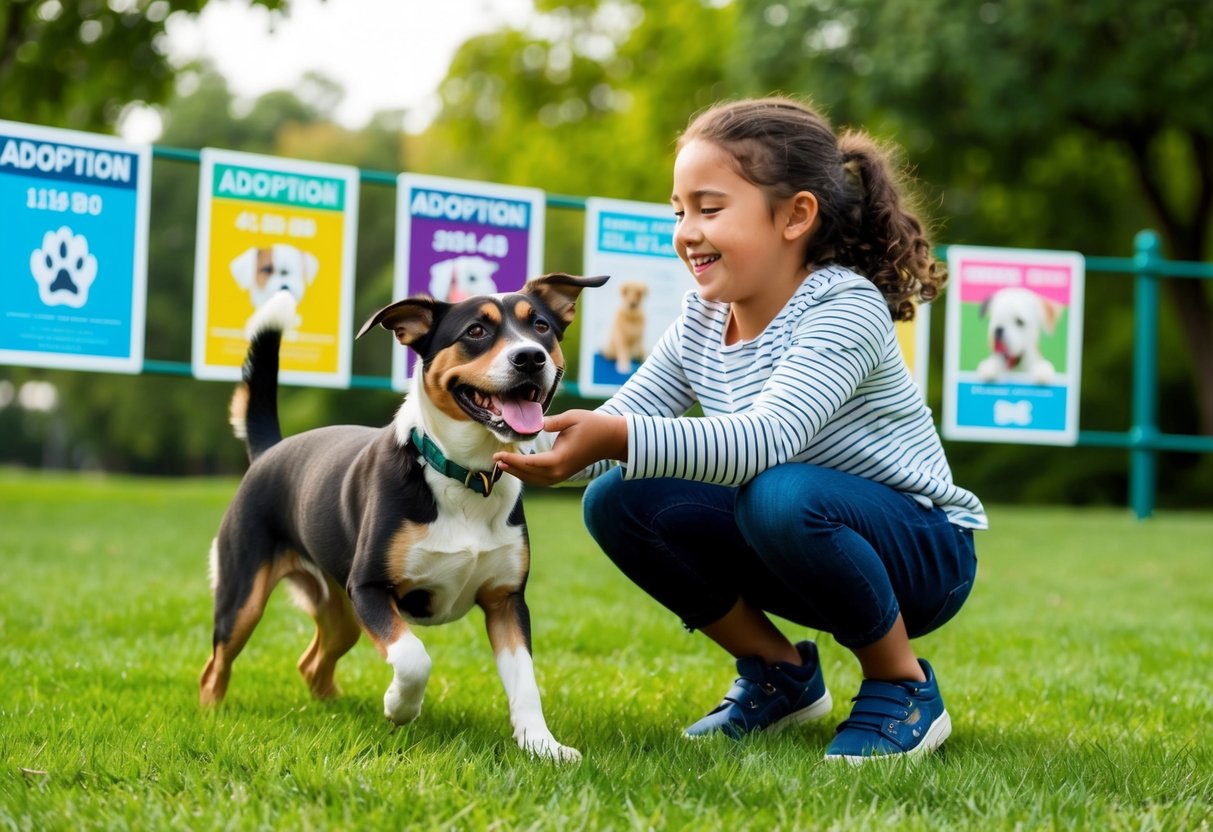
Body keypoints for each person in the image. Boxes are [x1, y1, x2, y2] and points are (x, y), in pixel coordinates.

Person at [494, 96, 986, 763]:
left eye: (709, 207)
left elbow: (762, 440)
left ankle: (900, 686)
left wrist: (615, 440)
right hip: (797, 537)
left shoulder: (844, 305)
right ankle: (777, 674)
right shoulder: (700, 319)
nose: (685, 230)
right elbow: (613, 425)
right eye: (678, 210)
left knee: (775, 491)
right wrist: (500, 439)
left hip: (921, 552)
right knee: (617, 500)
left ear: (795, 215)